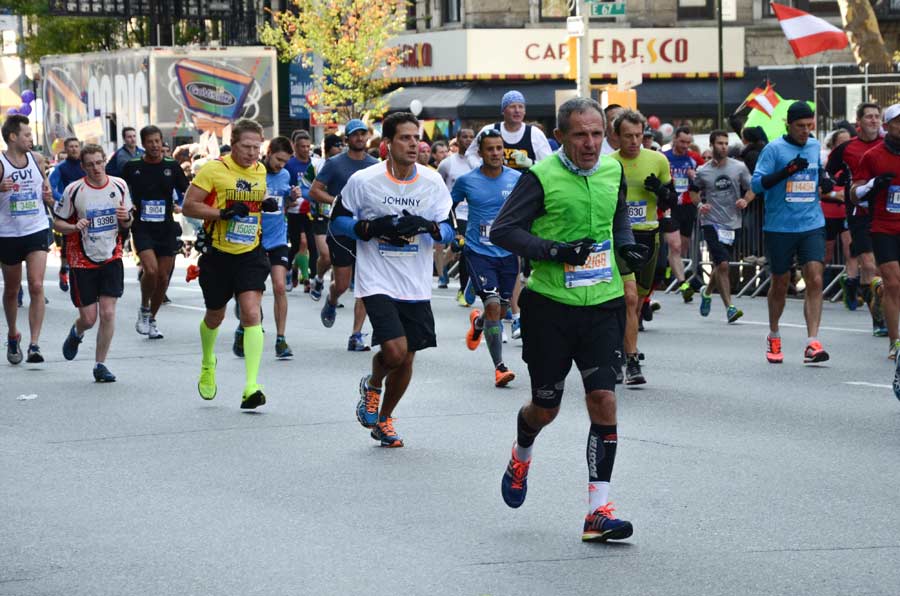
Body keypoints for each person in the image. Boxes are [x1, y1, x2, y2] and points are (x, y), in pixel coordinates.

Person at [490, 97, 649, 542]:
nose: (591, 143)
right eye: (580, 134)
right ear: (560, 137)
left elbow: (618, 218)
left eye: (598, 134)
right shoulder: (541, 177)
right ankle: (522, 452)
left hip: (604, 303)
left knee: (604, 400)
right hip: (550, 307)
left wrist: (626, 247)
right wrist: (554, 251)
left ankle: (598, 511)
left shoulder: (614, 171)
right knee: (546, 408)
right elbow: (504, 230)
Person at [330, 111, 454, 447]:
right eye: (405, 138)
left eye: (417, 138)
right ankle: (373, 383)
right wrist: (368, 228)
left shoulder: (432, 181)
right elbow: (337, 222)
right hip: (377, 279)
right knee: (395, 352)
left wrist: (427, 227)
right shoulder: (364, 181)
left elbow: (449, 230)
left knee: (408, 357)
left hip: (415, 283)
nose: (413, 144)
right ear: (387, 144)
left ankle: (384, 419)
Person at [181, 119, 270, 409]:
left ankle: (251, 386)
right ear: (233, 144)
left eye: (257, 147)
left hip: (250, 253)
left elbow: (252, 204)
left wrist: (263, 205)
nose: (252, 153)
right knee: (215, 316)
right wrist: (223, 213)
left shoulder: (261, 170)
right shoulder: (214, 169)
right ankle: (208, 361)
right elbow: (189, 206)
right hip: (218, 254)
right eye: (247, 147)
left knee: (251, 313)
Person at [751, 101, 830, 364]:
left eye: (810, 126)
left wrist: (825, 178)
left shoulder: (814, 145)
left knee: (816, 278)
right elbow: (756, 184)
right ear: (788, 124)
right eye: (800, 126)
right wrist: (786, 172)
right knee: (781, 283)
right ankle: (774, 333)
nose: (806, 131)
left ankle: (812, 342)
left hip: (811, 223)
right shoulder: (773, 149)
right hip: (780, 227)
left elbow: (817, 172)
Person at [55, 144, 134, 382]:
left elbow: (128, 221)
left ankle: (101, 364)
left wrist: (126, 218)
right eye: (90, 164)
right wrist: (73, 227)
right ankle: (77, 332)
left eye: (99, 162)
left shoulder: (119, 185)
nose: (96, 168)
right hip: (82, 260)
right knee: (89, 318)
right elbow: (57, 223)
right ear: (83, 167)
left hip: (111, 256)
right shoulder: (74, 190)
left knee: (108, 313)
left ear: (104, 162)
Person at [610, 110, 676, 385]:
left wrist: (661, 192)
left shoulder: (658, 160)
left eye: (639, 136)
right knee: (628, 298)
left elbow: (672, 200)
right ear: (616, 137)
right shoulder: (608, 164)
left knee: (635, 305)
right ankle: (631, 361)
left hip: (650, 236)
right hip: (621, 238)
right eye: (628, 136)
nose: (635, 141)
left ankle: (620, 351)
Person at [453, 129, 521, 386]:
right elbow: (447, 206)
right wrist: (454, 234)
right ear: (480, 153)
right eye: (490, 149)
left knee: (501, 309)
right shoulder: (467, 181)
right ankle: (499, 367)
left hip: (508, 253)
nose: (495, 153)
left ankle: (479, 322)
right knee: (493, 304)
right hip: (478, 251)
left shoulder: (517, 178)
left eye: (498, 148)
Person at [309, 119, 378, 352]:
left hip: (367, 230)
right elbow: (314, 191)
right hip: (340, 229)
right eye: (354, 135)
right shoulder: (335, 163)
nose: (359, 138)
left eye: (362, 134)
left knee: (366, 283)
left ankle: (356, 335)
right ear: (347, 139)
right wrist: (336, 201)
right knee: (342, 284)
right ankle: (331, 298)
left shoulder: (375, 165)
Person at [122, 125, 189, 340]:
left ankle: (152, 318)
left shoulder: (172, 166)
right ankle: (143, 308)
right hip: (142, 226)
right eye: (150, 142)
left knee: (162, 278)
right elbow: (117, 188)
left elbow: (187, 190)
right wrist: (127, 205)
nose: (154, 145)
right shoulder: (132, 166)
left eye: (157, 141)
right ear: (143, 144)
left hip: (166, 227)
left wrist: (184, 205)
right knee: (150, 271)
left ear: (162, 142)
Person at [233, 136, 296, 360]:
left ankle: (281, 339)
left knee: (279, 286)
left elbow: (284, 204)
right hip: (254, 239)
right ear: (268, 153)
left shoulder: (286, 175)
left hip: (278, 239)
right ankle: (243, 327)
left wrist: (291, 197)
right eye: (279, 159)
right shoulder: (253, 171)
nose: (281, 165)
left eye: (285, 161)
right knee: (254, 292)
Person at [827, 102, 886, 334]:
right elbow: (829, 171)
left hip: (886, 213)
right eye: (869, 117)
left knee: (884, 270)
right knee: (869, 266)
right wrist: (837, 183)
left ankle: (876, 302)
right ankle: (878, 321)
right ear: (858, 122)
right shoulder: (847, 148)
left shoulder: (888, 145)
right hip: (858, 214)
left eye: (877, 117)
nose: (874, 120)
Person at [0, 115, 53, 364]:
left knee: (36, 285)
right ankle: (13, 334)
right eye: (27, 135)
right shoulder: (0, 163)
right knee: (12, 290)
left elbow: (46, 189)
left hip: (36, 228)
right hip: (8, 234)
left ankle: (34, 344)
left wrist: (47, 193)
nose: (31, 139)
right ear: (13, 137)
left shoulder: (37, 159)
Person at [850, 103, 900, 360]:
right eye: (898, 122)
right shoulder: (872, 156)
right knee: (893, 283)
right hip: (884, 227)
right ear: (888, 126)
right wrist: (871, 186)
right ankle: (895, 343)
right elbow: (854, 194)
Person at [692, 130, 753, 323]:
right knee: (724, 264)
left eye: (726, 143)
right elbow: (693, 192)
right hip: (711, 221)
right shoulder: (703, 171)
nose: (724, 147)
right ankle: (730, 308)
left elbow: (753, 187)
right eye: (720, 143)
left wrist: (746, 200)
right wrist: (701, 205)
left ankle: (707, 292)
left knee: (721, 264)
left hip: (732, 222)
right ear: (712, 145)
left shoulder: (739, 167)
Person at [663, 126, 704, 301]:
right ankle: (682, 283)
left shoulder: (694, 158)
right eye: (682, 142)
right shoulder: (664, 158)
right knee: (675, 245)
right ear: (674, 140)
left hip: (688, 206)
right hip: (670, 205)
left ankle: (668, 266)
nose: (685, 145)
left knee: (683, 246)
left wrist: (696, 176)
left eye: (688, 142)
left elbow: (706, 176)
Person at [438, 128, 476, 306]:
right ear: (457, 140)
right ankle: (463, 289)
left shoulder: (478, 162)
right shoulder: (447, 164)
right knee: (465, 248)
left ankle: (445, 266)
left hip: (477, 213)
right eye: (464, 137)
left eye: (471, 137)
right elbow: (438, 185)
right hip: (457, 212)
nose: (468, 140)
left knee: (475, 250)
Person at [284, 130, 319, 292]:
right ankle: (289, 271)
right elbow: (286, 188)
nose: (306, 149)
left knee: (313, 245)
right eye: (302, 147)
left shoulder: (315, 163)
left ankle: (312, 280)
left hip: (312, 211)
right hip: (294, 211)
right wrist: (288, 202)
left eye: (308, 146)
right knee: (297, 245)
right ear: (295, 147)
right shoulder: (290, 165)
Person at [48, 137, 85, 292]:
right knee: (68, 239)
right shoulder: (61, 167)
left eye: (76, 146)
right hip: (68, 209)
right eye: (71, 147)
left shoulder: (86, 164)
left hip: (85, 206)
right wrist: (63, 199)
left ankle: (83, 270)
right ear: (66, 149)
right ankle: (64, 269)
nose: (74, 149)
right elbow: (50, 186)